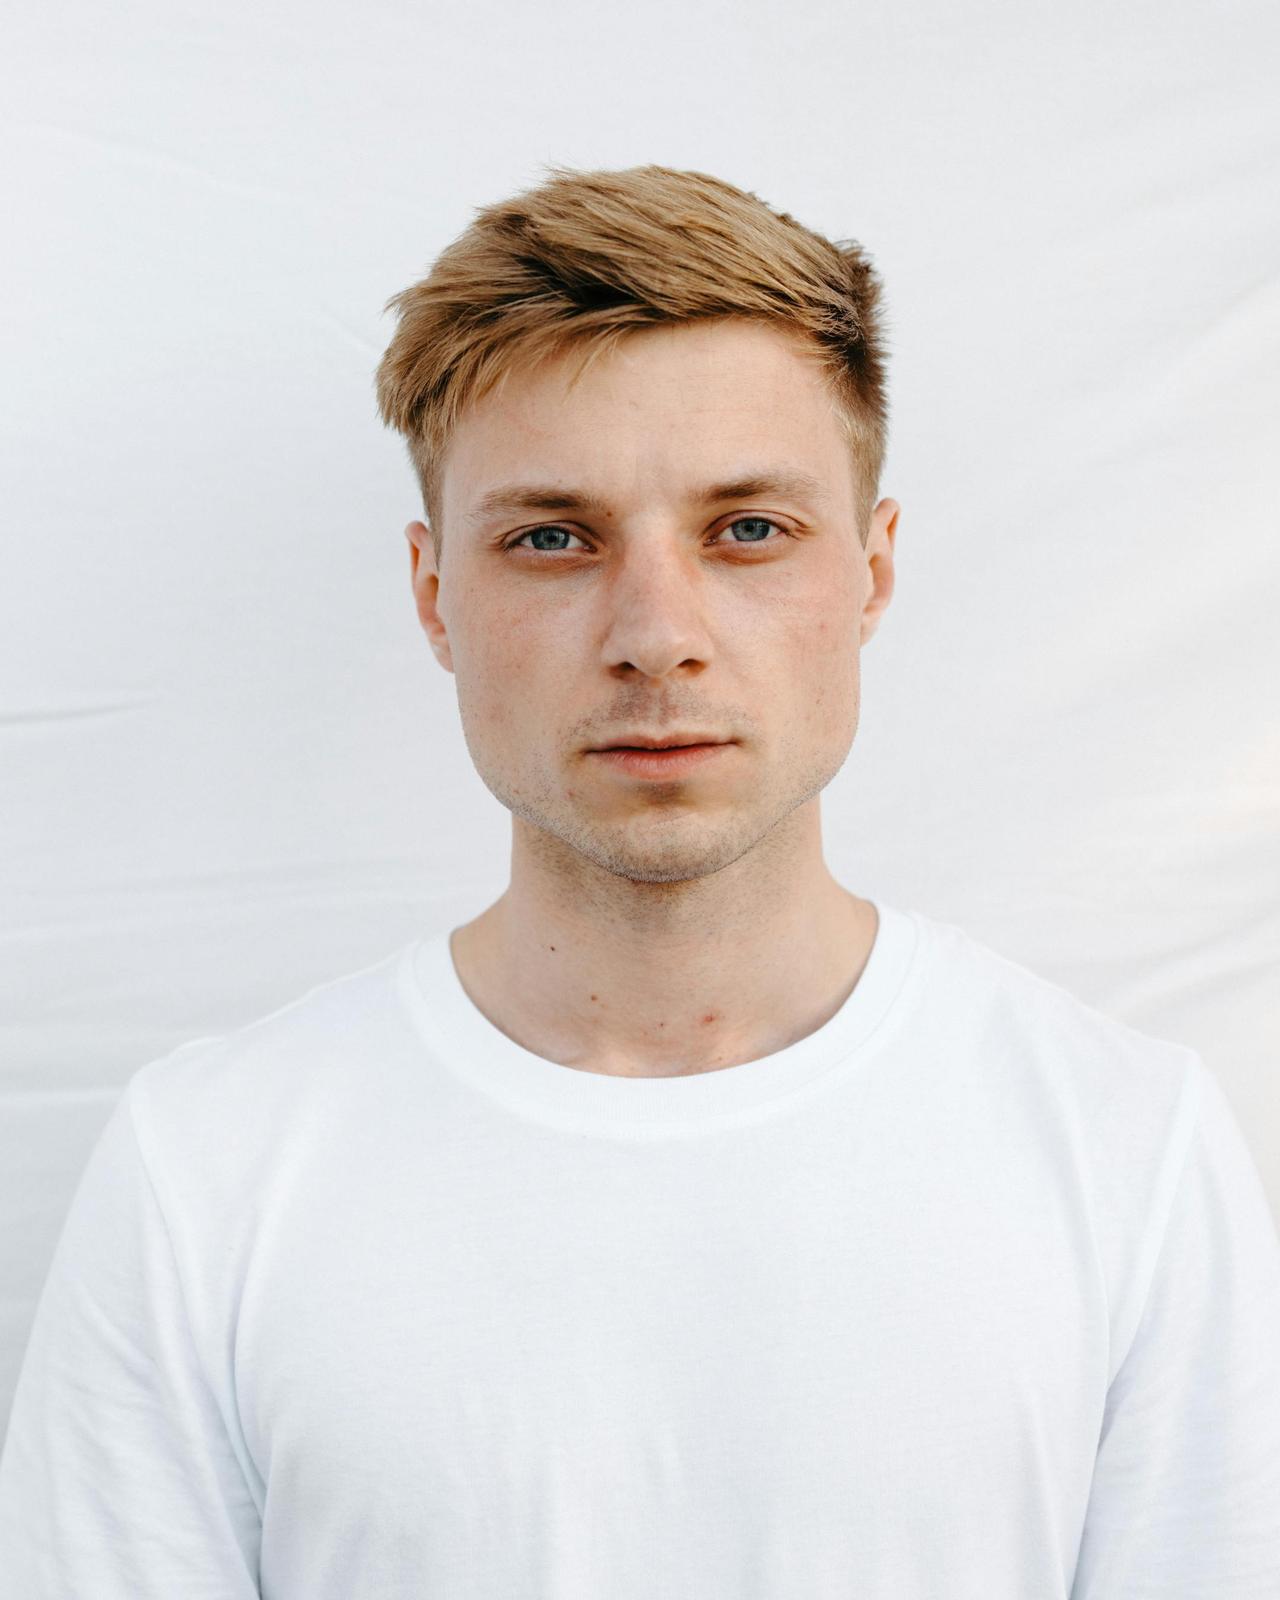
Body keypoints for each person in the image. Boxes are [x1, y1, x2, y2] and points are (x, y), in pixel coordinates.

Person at [1, 163, 1277, 1599]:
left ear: (873, 570)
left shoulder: (1125, 1151)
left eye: (749, 531)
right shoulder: (210, 1170)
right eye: (554, 538)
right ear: (435, 595)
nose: (656, 636)